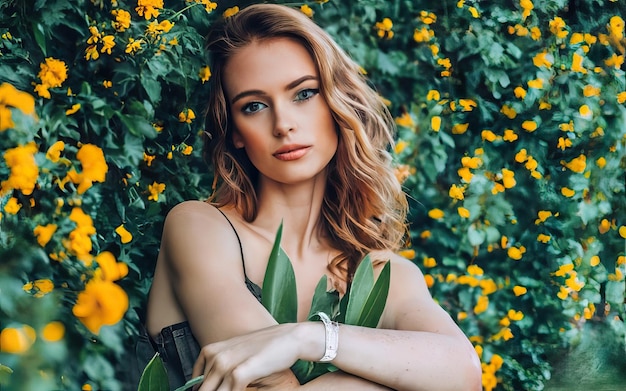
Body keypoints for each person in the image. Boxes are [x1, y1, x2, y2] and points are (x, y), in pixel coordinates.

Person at [133, 3, 482, 390]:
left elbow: (463, 371)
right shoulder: (198, 227)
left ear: (337, 102)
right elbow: (273, 387)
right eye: (254, 106)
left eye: (303, 94)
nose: (283, 124)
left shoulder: (382, 273)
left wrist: (307, 338)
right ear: (235, 131)